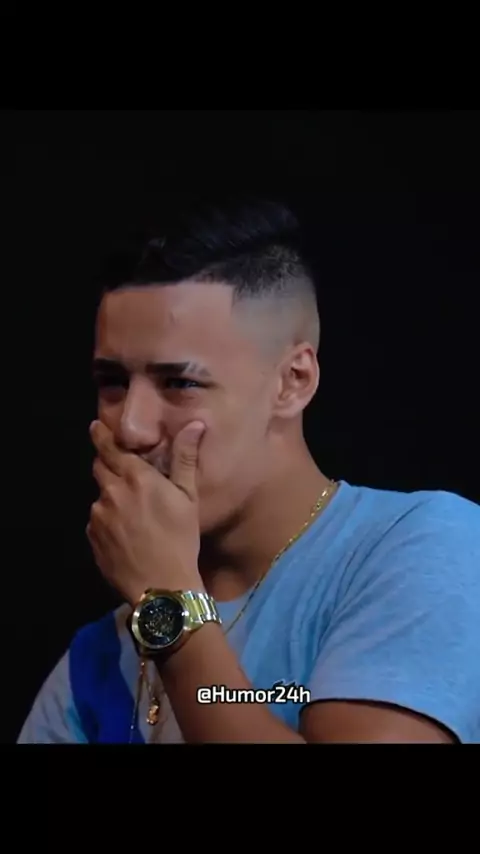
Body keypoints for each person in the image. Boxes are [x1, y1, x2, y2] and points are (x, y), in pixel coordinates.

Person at [18, 197, 480, 744]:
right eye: (113, 382)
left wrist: (168, 603)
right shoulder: (94, 665)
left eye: (180, 383)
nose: (132, 427)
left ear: (292, 381)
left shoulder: (422, 544)